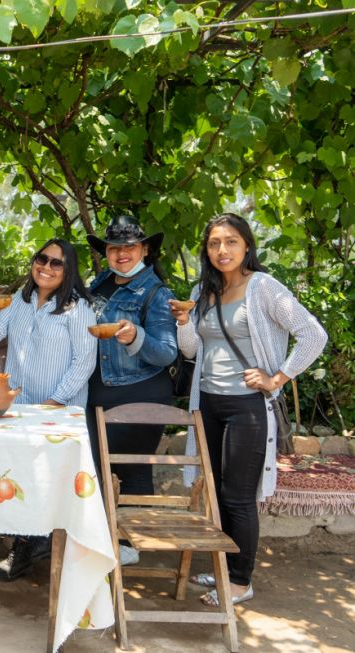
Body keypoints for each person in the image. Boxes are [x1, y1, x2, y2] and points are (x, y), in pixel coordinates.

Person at [170, 213, 326, 606]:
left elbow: (313, 335)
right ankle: (223, 569)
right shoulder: (202, 290)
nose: (222, 250)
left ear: (246, 246)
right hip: (207, 402)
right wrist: (185, 320)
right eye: (214, 243)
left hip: (247, 407)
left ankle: (240, 581)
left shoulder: (265, 289)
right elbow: (190, 351)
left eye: (231, 242)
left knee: (239, 496)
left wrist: (278, 377)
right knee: (217, 494)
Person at [0, 238, 97, 581]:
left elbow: (85, 359)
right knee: (20, 475)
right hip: (22, 406)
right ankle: (28, 544)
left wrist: (56, 401)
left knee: (52, 479)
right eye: (41, 259)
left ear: (68, 269)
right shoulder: (21, 299)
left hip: (59, 409)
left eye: (56, 263)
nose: (46, 266)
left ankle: (36, 546)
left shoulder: (77, 308)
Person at [84, 215, 178, 567]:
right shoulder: (102, 281)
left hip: (141, 392)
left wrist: (134, 335)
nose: (122, 253)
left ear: (145, 249)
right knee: (96, 465)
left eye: (130, 247)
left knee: (133, 468)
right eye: (114, 247)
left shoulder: (157, 293)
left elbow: (167, 351)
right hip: (98, 389)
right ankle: (101, 537)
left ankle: (128, 545)